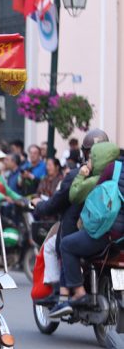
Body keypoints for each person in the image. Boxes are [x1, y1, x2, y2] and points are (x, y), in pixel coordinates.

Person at [32, 128, 109, 307]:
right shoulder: (116, 171)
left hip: (88, 229)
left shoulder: (77, 175)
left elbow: (58, 202)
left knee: (58, 246)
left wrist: (39, 206)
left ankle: (63, 293)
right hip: (114, 233)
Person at [50, 141, 122, 318]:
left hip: (110, 234)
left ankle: (79, 292)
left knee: (67, 245)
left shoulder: (113, 168)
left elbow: (95, 200)